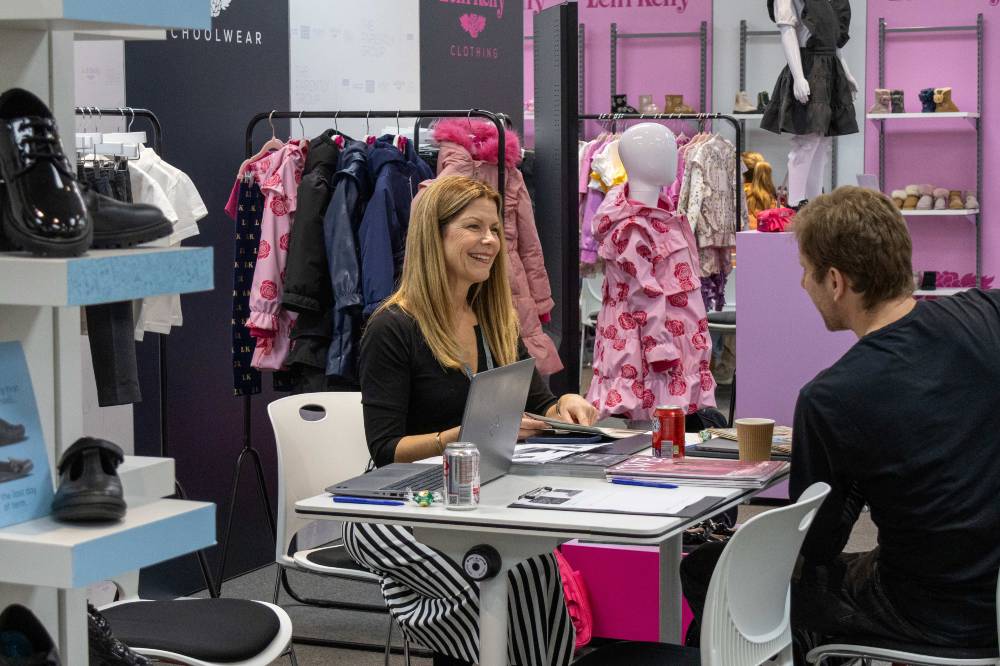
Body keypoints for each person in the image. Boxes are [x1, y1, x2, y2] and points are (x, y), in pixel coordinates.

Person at [680, 186, 1000, 662]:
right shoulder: (985, 312)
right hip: (991, 593)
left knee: (709, 568)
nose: (804, 286)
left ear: (835, 281)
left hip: (926, 612)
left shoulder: (831, 396)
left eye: (806, 273)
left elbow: (816, 544)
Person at [345, 175, 597, 666]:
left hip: (474, 493)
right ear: (433, 236)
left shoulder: (495, 317)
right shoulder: (392, 327)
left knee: (536, 568)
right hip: (396, 505)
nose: (490, 241)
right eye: (473, 227)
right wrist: (466, 437)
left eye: (495, 230)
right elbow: (384, 449)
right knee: (502, 576)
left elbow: (539, 399)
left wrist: (564, 406)